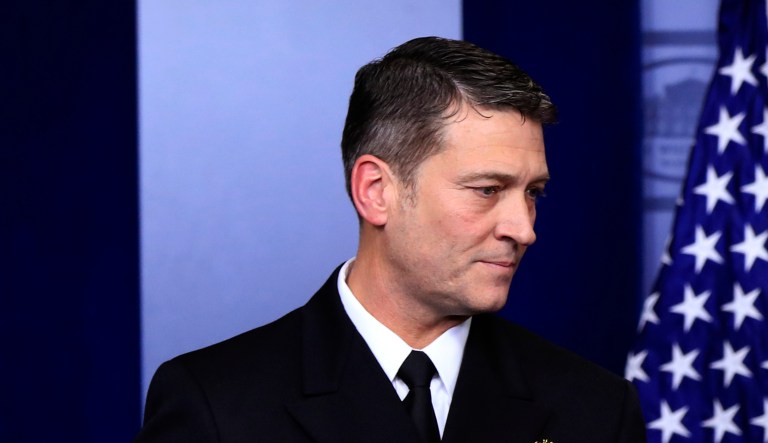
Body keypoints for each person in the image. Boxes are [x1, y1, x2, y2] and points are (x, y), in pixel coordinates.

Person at [134, 36, 646, 443]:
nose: (524, 229)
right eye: (487, 190)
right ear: (376, 191)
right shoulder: (216, 404)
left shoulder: (596, 410)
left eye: (533, 192)